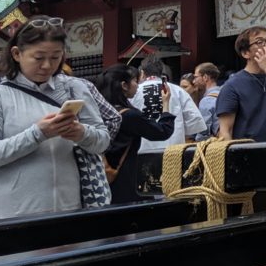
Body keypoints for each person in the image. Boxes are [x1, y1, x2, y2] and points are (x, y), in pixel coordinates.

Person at [0, 18, 110, 221]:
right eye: (38, 58)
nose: (47, 66)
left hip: (69, 212)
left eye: (56, 57)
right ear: (16, 54)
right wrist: (37, 134)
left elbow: (102, 141)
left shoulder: (74, 88)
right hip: (8, 216)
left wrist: (81, 133)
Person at [95, 64, 175, 204]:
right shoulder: (129, 116)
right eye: (134, 81)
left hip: (102, 177)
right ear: (124, 86)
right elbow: (163, 131)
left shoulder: (99, 112)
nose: (138, 85)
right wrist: (165, 104)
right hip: (126, 179)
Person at [217, 27, 266, 142]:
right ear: (246, 53)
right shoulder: (232, 86)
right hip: (247, 152)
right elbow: (225, 131)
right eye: (259, 42)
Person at [131, 54, 205, 154]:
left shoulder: (134, 92)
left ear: (142, 72)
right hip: (174, 149)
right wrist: (179, 131)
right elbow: (195, 120)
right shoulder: (177, 90)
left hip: (141, 149)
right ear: (161, 72)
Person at [191, 63, 221, 141]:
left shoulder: (207, 100)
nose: (194, 81)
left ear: (205, 77)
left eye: (196, 77)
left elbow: (203, 132)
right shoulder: (224, 94)